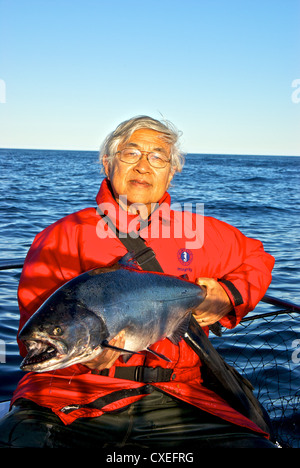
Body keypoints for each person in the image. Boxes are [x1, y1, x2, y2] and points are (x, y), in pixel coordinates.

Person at [0, 116, 277, 449]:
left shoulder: (202, 232)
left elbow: (257, 259)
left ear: (172, 171)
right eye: (131, 153)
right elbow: (34, 338)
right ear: (108, 162)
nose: (144, 166)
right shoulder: (61, 237)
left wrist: (229, 295)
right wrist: (88, 359)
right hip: (68, 394)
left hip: (179, 395)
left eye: (158, 157)